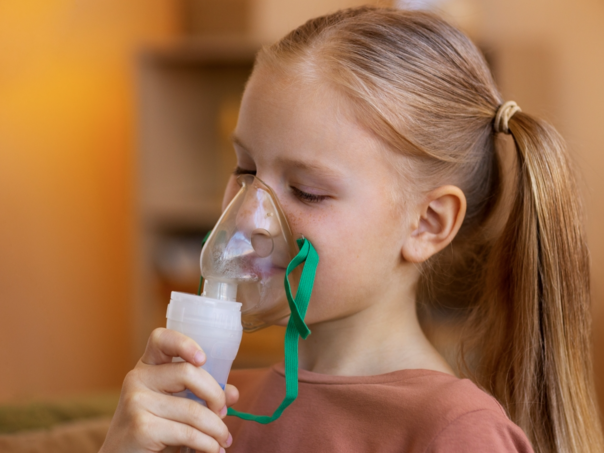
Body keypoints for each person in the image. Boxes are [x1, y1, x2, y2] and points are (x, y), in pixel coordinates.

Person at [100, 6, 604, 453]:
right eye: (246, 170)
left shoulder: (455, 434)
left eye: (307, 191)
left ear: (428, 223)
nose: (249, 217)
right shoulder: (218, 409)